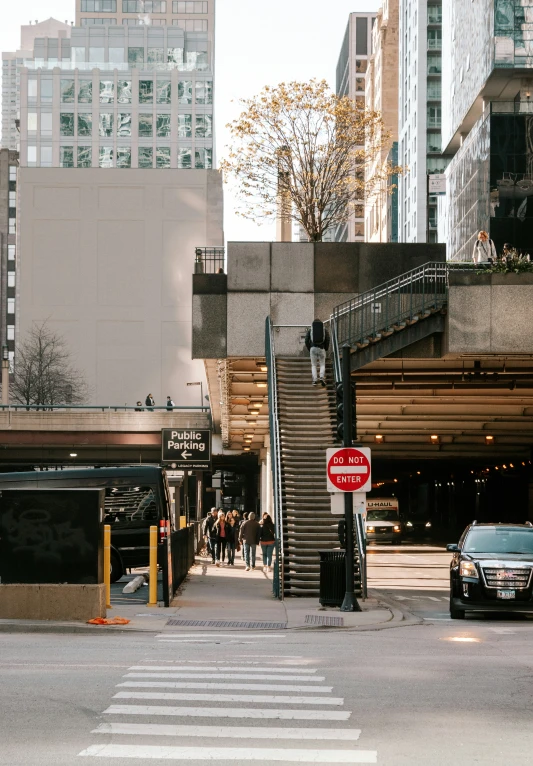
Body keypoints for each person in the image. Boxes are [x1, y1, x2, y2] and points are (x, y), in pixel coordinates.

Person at [305, 319, 330, 387]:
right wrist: (326, 348)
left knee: (314, 365)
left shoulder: (311, 329)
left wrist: (309, 348)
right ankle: (321, 377)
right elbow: (327, 338)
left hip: (313, 348)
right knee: (322, 364)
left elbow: (306, 339)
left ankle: (315, 380)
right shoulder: (324, 329)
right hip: (321, 348)